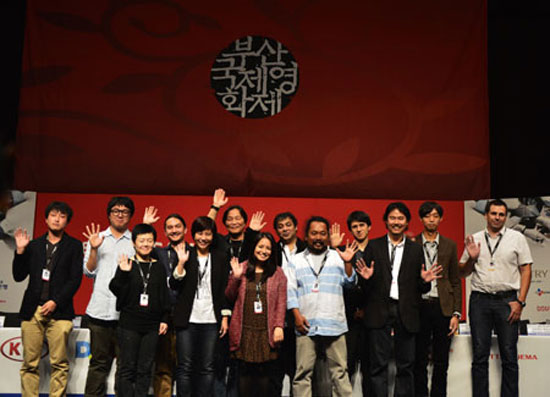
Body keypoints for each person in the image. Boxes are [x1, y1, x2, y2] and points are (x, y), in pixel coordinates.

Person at [355, 202, 441, 397]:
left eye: (400, 218)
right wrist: (365, 278)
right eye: (392, 218)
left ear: (407, 222)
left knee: (406, 365)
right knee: (378, 365)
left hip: (407, 311)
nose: (396, 222)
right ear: (385, 221)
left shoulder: (415, 249)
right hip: (379, 310)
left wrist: (425, 281)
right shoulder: (373, 246)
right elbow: (365, 286)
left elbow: (420, 287)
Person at [459, 199, 532, 397]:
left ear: (506, 217)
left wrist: (521, 301)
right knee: (479, 356)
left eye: (501, 214)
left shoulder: (517, 238)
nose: (497, 217)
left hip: (507, 301)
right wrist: (472, 258)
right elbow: (462, 273)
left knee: (509, 356)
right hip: (480, 302)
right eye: (494, 213)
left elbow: (526, 270)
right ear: (486, 215)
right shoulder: (474, 239)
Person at [13, 201, 83, 397]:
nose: (57, 218)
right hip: (32, 310)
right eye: (53, 215)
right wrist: (20, 251)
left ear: (67, 221)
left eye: (62, 216)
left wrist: (56, 301)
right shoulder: (33, 245)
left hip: (60, 312)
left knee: (60, 363)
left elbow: (74, 280)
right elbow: (18, 275)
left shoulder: (74, 246)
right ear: (46, 219)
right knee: (29, 363)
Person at [286, 216, 358, 396]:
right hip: (305, 323)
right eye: (314, 233)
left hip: (334, 323)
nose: (318, 237)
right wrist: (296, 317)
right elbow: (290, 291)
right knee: (302, 374)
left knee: (340, 373)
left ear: (327, 237)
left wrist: (348, 262)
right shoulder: (295, 260)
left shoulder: (338, 257)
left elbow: (350, 283)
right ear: (306, 236)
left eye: (322, 234)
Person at [170, 216, 231, 397]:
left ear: (213, 236)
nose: (203, 238)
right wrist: (181, 263)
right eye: (199, 233)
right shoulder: (185, 253)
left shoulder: (220, 258)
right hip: (187, 320)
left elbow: (224, 291)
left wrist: (225, 317)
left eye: (208, 234)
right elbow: (174, 284)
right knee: (185, 367)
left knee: (207, 367)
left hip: (211, 320)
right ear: (193, 234)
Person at [109, 223, 172, 397]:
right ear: (134, 243)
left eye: (149, 240)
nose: (145, 244)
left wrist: (164, 319)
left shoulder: (158, 267)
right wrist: (123, 272)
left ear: (154, 243)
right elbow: (115, 289)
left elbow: (164, 296)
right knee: (127, 368)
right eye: (141, 240)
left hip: (152, 326)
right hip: (129, 324)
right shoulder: (127, 263)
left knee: (145, 368)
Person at [83, 196, 136, 396]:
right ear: (109, 214)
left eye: (124, 211)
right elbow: (88, 272)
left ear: (130, 216)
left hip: (126, 313)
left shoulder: (135, 241)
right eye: (116, 211)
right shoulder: (97, 238)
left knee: (125, 365)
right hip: (99, 311)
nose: (120, 214)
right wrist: (94, 249)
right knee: (98, 364)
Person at [225, 232, 287, 396]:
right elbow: (230, 296)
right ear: (253, 248)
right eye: (260, 246)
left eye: (268, 248)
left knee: (264, 374)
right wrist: (236, 277)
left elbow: (281, 302)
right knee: (245, 373)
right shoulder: (242, 268)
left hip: (266, 330)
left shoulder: (278, 273)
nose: (264, 251)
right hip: (244, 329)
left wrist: (279, 326)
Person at [413, 202, 462, 397]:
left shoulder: (449, 245)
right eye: (427, 216)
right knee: (419, 359)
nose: (431, 219)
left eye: (435, 216)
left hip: (444, 309)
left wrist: (456, 313)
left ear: (441, 219)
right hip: (419, 307)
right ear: (421, 219)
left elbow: (455, 281)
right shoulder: (412, 244)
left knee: (442, 360)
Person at [331, 211, 372, 395]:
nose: (359, 229)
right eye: (354, 226)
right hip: (347, 318)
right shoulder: (342, 250)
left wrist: (365, 309)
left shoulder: (378, 249)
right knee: (346, 366)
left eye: (362, 225)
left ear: (369, 227)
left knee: (371, 368)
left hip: (372, 317)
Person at [272, 211, 307, 394]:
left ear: (295, 227)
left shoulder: (307, 248)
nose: (284, 229)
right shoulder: (272, 249)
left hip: (301, 310)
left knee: (298, 368)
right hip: (276, 312)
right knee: (275, 369)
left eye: (287, 225)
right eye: (280, 226)